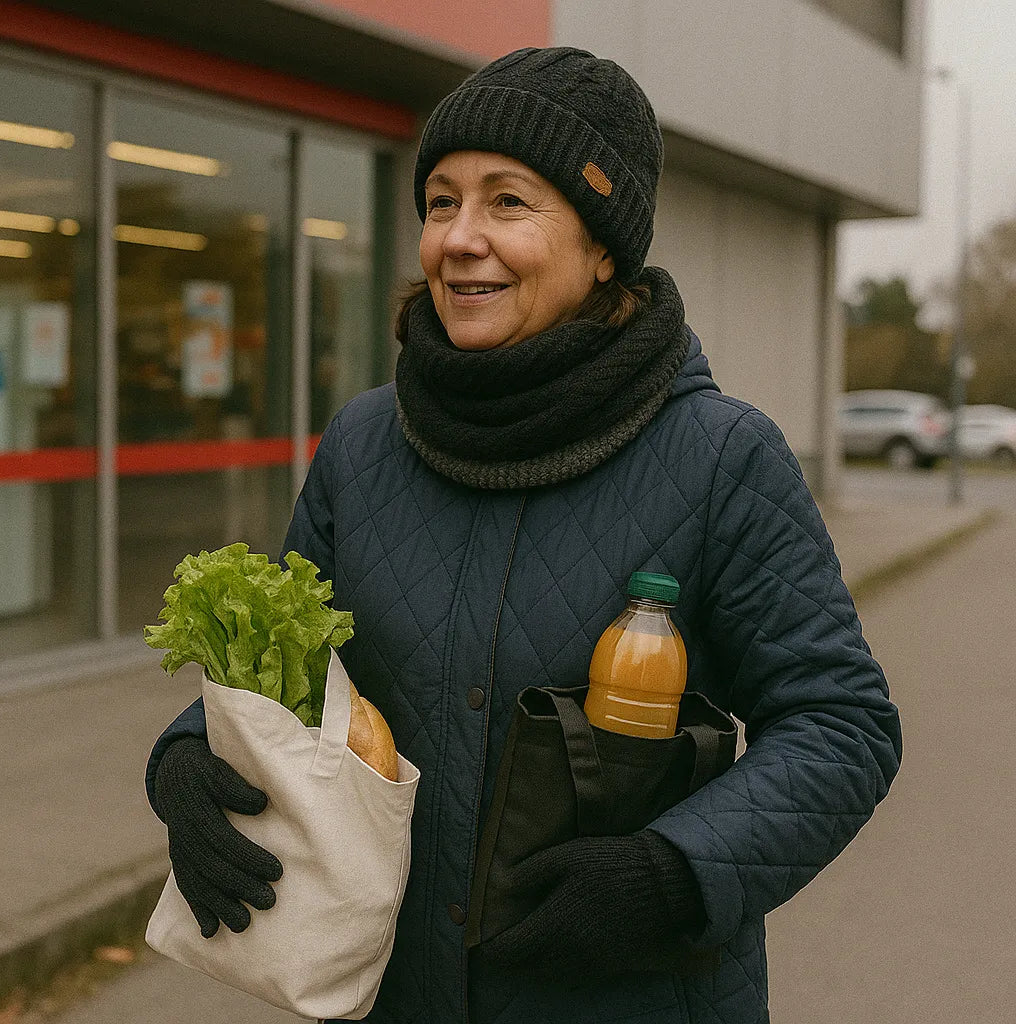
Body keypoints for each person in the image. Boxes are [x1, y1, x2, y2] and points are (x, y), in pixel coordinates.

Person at [146, 46, 902, 1024]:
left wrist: (672, 874)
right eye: (440, 200)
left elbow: (842, 724)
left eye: (508, 202)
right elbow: (292, 675)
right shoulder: (366, 443)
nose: (460, 238)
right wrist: (182, 761)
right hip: (400, 994)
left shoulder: (720, 458)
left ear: (602, 249)